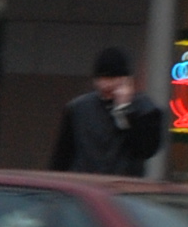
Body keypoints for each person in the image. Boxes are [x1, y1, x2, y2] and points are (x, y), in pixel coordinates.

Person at [47, 47, 166, 176]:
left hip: (123, 187)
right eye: (101, 79)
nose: (106, 85)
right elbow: (61, 157)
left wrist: (124, 112)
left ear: (126, 80)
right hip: (84, 183)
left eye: (112, 79)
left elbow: (146, 150)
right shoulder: (77, 109)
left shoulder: (145, 109)